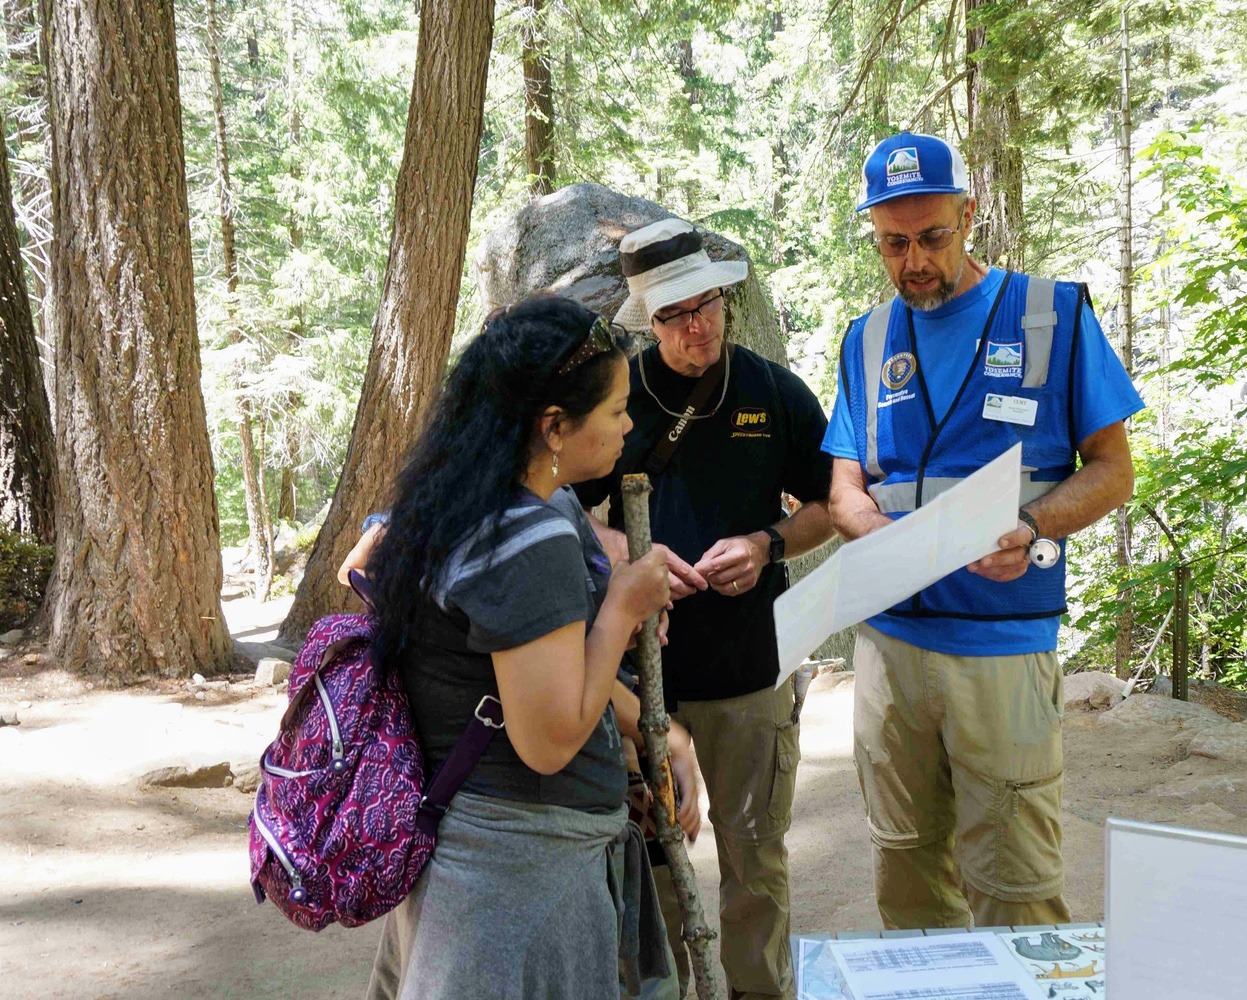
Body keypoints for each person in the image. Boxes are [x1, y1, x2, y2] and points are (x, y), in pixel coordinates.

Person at [824, 133, 1144, 930]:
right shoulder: (865, 341)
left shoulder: (1051, 313)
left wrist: (1032, 522)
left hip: (1001, 651)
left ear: (970, 215)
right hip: (890, 649)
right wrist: (861, 522)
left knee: (1016, 887)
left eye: (932, 236)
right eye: (894, 244)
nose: (914, 262)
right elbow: (844, 482)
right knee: (907, 876)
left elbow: (1113, 470)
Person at [357, 296, 698, 999]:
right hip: (518, 877)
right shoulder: (530, 539)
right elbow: (548, 739)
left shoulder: (457, 503)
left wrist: (664, 734)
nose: (629, 424)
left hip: (470, 862)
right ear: (554, 428)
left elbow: (361, 563)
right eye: (614, 410)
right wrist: (622, 606)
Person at [573, 217, 836, 1000]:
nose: (698, 327)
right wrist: (627, 557)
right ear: (647, 322)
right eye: (675, 314)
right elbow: (567, 514)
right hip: (639, 678)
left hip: (751, 669)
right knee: (652, 863)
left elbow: (827, 504)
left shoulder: (773, 391)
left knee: (756, 857)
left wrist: (767, 545)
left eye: (710, 304)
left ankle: (759, 993)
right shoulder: (616, 397)